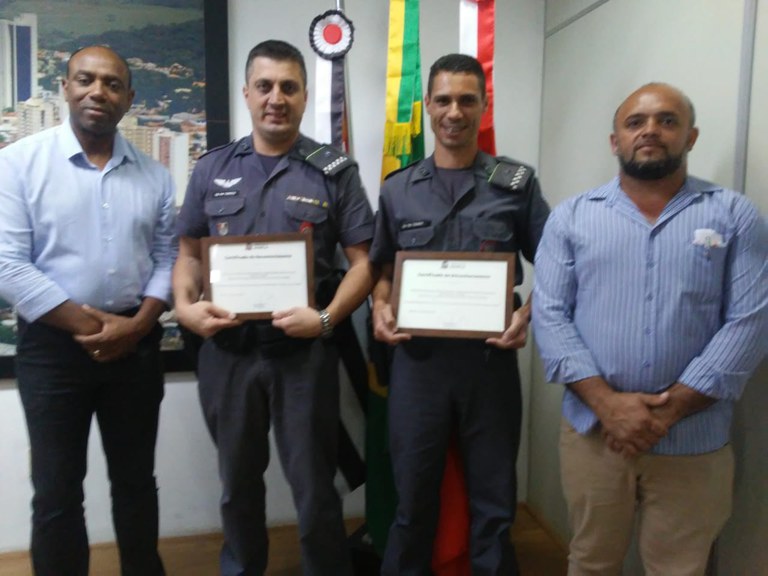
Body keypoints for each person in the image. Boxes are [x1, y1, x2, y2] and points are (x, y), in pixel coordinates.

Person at [533, 83, 768, 576]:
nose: (651, 131)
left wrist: (666, 412)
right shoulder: (572, 218)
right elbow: (550, 316)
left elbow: (749, 321)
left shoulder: (734, 215)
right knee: (591, 562)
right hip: (595, 436)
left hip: (693, 438)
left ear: (691, 135)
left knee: (679, 569)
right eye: (635, 122)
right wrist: (608, 406)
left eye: (666, 120)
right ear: (614, 140)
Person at [172, 39, 374, 576]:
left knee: (314, 488)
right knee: (237, 485)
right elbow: (189, 252)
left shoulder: (334, 172)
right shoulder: (212, 169)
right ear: (247, 93)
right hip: (229, 354)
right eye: (265, 86)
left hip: (302, 354)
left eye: (288, 87)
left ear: (305, 96)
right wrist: (183, 305)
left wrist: (327, 318)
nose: (276, 98)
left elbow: (364, 264)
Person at [370, 53, 550, 575]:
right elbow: (381, 270)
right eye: (444, 99)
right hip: (417, 369)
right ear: (427, 105)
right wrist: (381, 304)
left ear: (483, 105)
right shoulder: (398, 188)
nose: (455, 111)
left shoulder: (515, 184)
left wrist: (527, 314)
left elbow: (560, 265)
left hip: (488, 368)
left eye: (467, 100)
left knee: (494, 505)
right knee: (412, 504)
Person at [0, 46, 176, 575]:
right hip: (53, 350)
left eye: (112, 84)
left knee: (136, 483)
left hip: (137, 345)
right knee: (56, 490)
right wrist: (97, 328)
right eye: (86, 79)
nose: (98, 91)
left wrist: (139, 324)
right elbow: (8, 266)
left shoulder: (155, 175)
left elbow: (167, 257)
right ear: (66, 87)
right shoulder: (19, 163)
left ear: (129, 99)